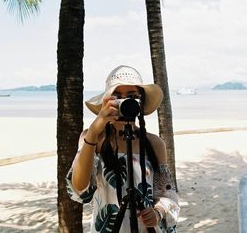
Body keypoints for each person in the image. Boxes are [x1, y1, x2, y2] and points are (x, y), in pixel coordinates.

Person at [66, 65, 180, 233]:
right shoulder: (92, 138)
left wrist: (158, 212)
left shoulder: (154, 143)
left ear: (141, 103)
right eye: (117, 97)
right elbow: (79, 188)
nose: (126, 102)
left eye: (132, 97)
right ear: (106, 102)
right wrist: (93, 132)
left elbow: (168, 193)